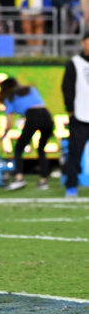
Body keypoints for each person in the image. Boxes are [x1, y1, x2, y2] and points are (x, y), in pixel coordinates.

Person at [0, 77, 53, 191]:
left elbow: (9, 123)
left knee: (18, 149)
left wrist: (4, 135)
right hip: (46, 116)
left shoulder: (9, 98)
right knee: (41, 149)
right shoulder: (31, 89)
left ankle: (19, 179)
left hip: (33, 116)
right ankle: (43, 181)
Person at [61, 32, 89, 198]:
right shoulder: (74, 63)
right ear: (83, 43)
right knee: (74, 153)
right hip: (80, 115)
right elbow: (67, 87)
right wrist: (70, 108)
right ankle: (71, 186)